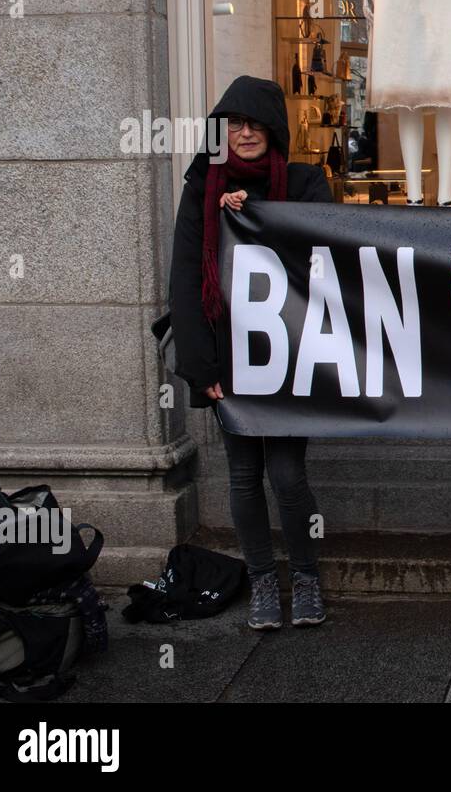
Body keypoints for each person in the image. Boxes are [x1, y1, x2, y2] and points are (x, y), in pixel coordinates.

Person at [168, 76, 334, 631]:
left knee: (287, 474)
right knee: (243, 474)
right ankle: (264, 581)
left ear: (275, 132)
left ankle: (306, 579)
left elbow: (327, 252)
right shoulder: (201, 191)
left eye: (256, 125)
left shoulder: (306, 183)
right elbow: (186, 279)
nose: (244, 134)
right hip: (227, 355)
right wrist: (199, 365)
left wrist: (257, 213)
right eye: (234, 125)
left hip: (289, 353)